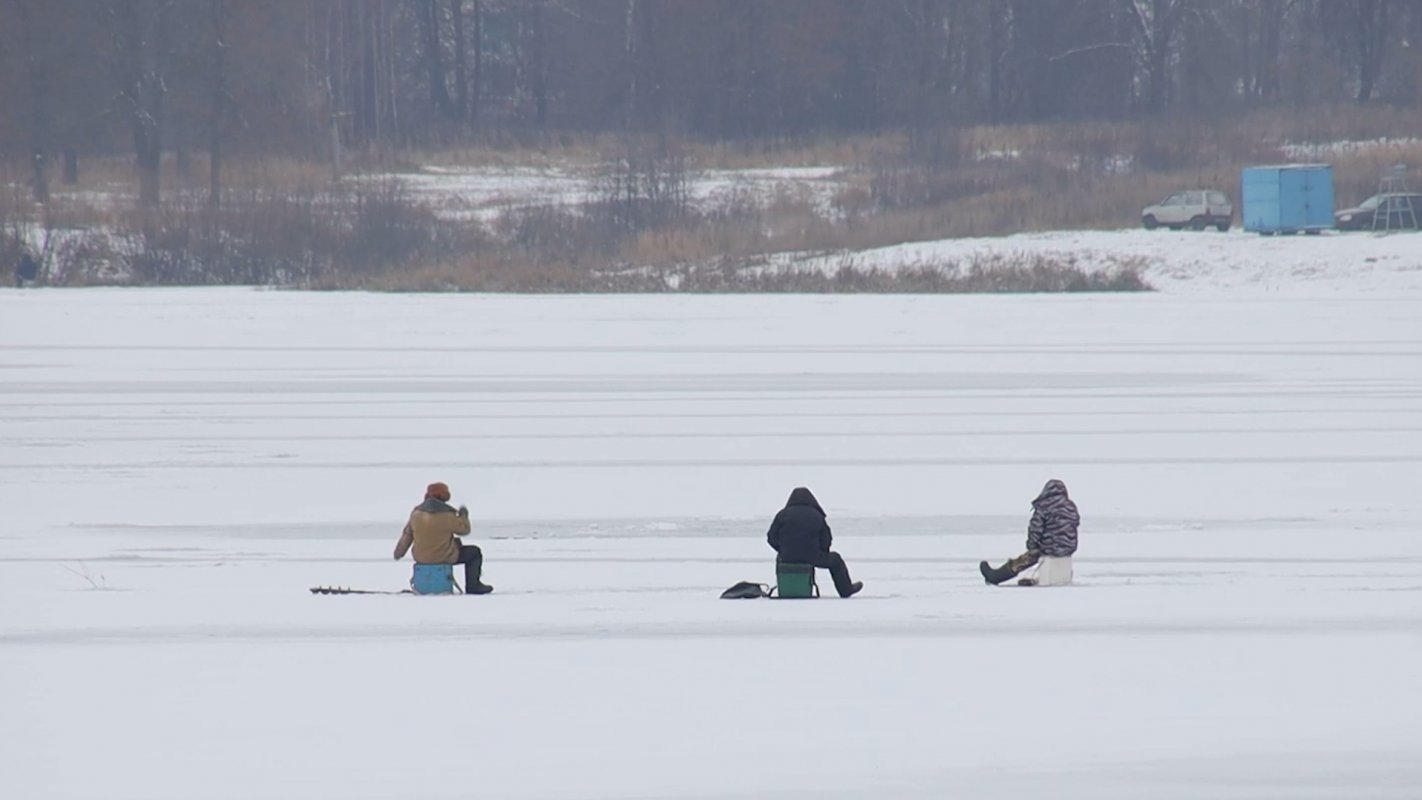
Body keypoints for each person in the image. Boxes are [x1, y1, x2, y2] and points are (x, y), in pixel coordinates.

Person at [393, 481, 493, 594]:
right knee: (474, 552)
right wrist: (463, 515)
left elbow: (406, 536)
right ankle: (473, 586)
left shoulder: (416, 514)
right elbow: (465, 530)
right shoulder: (448, 515)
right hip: (444, 557)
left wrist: (398, 553)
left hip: (421, 558)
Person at [979, 479, 1079, 586]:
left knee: (1025, 559)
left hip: (1050, 548)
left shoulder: (1044, 506)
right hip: (1068, 548)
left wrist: (1032, 546)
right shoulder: (1071, 507)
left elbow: (1035, 529)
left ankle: (995, 577)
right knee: (1042, 552)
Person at [767, 487, 863, 597]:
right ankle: (846, 590)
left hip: (788, 557)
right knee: (836, 560)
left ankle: (787, 588)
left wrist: (783, 550)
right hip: (813, 556)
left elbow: (771, 538)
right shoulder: (817, 515)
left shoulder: (782, 515)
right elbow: (826, 539)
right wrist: (821, 551)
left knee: (780, 559)